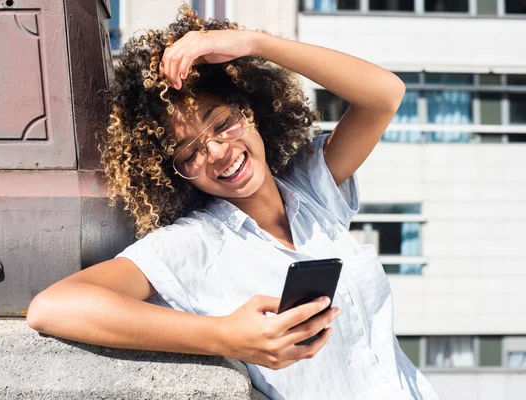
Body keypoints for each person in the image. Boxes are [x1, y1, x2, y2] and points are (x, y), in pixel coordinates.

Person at [27, 6, 438, 399]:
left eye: (223, 123)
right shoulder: (195, 244)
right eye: (189, 153)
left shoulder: (313, 191)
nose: (219, 152)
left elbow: (385, 95)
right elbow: (53, 307)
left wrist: (253, 43)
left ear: (251, 110)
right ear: (173, 174)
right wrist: (227, 336)